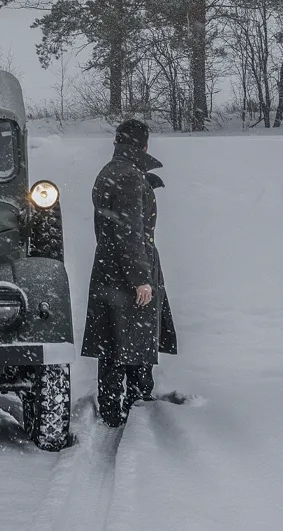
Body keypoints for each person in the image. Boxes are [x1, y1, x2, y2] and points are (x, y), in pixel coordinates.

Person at [82, 118, 177, 427]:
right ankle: (136, 408)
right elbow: (129, 231)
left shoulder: (112, 172)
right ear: (144, 145)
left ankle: (114, 407)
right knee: (131, 341)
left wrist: (144, 184)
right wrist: (141, 279)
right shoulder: (128, 177)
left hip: (109, 266)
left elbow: (117, 220)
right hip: (128, 269)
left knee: (113, 341)